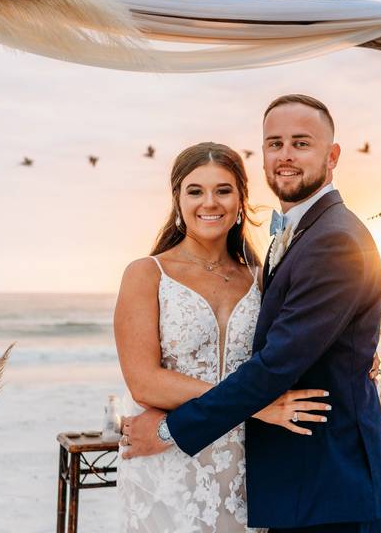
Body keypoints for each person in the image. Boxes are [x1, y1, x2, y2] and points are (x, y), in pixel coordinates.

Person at [122, 96, 381, 533]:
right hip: (280, 481)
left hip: (326, 481)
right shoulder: (293, 238)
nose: (285, 155)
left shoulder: (335, 240)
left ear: (333, 155)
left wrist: (170, 431)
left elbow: (275, 365)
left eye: (301, 143)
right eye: (275, 144)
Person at [114, 142, 331, 532]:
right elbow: (144, 382)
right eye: (195, 191)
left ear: (240, 200)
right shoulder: (146, 274)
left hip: (247, 466)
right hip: (168, 463)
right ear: (177, 200)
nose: (209, 203)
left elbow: (291, 353)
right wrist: (257, 406)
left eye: (223, 190)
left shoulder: (264, 278)